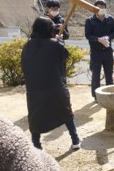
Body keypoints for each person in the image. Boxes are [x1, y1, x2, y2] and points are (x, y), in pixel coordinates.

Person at [21, 17, 81, 150]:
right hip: (55, 86)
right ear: (48, 30)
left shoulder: (27, 46)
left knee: (36, 116)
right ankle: (75, 139)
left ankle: (36, 145)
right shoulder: (53, 44)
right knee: (65, 113)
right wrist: (59, 42)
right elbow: (65, 55)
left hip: (35, 89)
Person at [85, 0, 114, 101]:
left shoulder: (110, 19)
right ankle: (96, 96)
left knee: (109, 74)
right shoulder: (90, 20)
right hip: (96, 51)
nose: (101, 9)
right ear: (94, 8)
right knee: (96, 74)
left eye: (103, 7)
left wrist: (108, 37)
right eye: (98, 7)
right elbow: (88, 35)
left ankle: (110, 94)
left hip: (108, 50)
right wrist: (97, 39)